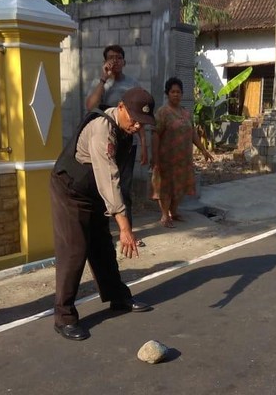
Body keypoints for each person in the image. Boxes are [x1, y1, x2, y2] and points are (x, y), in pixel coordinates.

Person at [50, 87, 155, 341]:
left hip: (93, 190)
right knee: (75, 249)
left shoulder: (127, 130)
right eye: (134, 120)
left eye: (142, 124)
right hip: (70, 191)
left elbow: (118, 181)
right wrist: (125, 227)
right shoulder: (102, 130)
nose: (137, 127)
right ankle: (63, 317)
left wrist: (142, 142)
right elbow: (109, 178)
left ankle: (118, 297)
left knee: (102, 246)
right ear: (120, 108)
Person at [85, 45, 147, 245]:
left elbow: (141, 116)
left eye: (119, 57)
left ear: (125, 62)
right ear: (105, 62)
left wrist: (144, 145)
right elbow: (90, 107)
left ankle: (128, 231)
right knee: (103, 184)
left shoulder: (132, 84)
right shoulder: (99, 83)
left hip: (127, 142)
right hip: (104, 138)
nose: (115, 61)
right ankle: (103, 233)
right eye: (111, 58)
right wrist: (103, 79)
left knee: (124, 188)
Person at [151, 77, 213, 227]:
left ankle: (174, 211)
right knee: (165, 187)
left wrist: (203, 150)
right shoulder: (162, 112)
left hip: (183, 159)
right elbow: (155, 134)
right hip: (166, 158)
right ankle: (165, 215)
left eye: (178, 92)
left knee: (180, 187)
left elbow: (193, 134)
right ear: (167, 93)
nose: (176, 94)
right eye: (173, 92)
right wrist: (155, 158)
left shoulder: (185, 113)